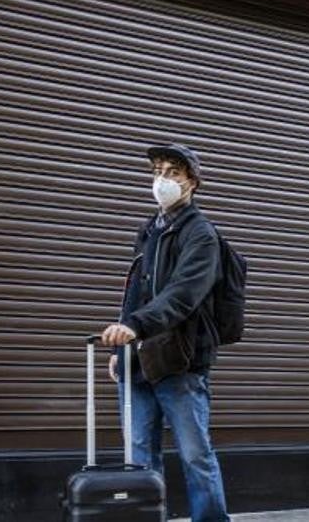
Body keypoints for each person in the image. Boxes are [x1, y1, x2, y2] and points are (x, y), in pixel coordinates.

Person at [99, 143, 230, 522]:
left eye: (173, 172)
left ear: (192, 181)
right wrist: (118, 348)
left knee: (195, 455)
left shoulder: (202, 235)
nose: (163, 179)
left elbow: (183, 294)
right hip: (138, 361)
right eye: (158, 170)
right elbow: (136, 291)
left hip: (179, 361)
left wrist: (134, 326)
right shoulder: (150, 229)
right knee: (139, 455)